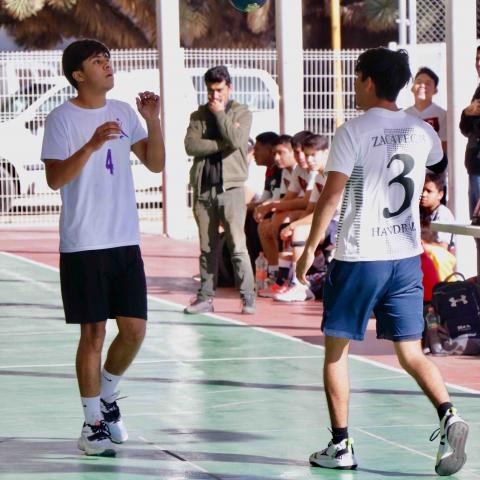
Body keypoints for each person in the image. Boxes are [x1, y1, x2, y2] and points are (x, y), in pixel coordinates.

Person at [296, 47, 468, 475]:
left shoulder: (352, 132)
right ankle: (448, 415)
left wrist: (308, 249)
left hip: (360, 256)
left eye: (356, 77)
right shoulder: (420, 130)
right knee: (410, 351)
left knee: (336, 351)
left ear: (369, 81)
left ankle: (341, 445)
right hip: (405, 257)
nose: (354, 84)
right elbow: (439, 164)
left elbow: (331, 197)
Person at [41, 39, 165, 456]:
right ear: (78, 74)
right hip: (83, 242)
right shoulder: (61, 118)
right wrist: (92, 144)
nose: (108, 65)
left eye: (109, 59)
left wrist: (154, 119)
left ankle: (108, 397)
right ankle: (91, 423)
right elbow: (56, 179)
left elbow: (155, 162)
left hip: (124, 239)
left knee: (134, 330)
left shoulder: (124, 112)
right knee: (92, 333)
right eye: (98, 61)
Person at [184, 65, 255, 315]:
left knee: (237, 244)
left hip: (231, 189)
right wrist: (220, 142)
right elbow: (191, 146)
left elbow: (237, 141)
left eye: (220, 90)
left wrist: (222, 115)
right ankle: (205, 297)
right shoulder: (198, 115)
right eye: (211, 91)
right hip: (204, 190)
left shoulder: (241, 112)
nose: (215, 96)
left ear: (229, 88)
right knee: (207, 246)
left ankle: (248, 296)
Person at [406, 67, 447, 153]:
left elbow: (444, 145)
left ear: (435, 90)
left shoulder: (443, 115)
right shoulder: (403, 115)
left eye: (428, 83)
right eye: (419, 82)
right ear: (412, 88)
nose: (422, 86)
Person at [459, 45, 480, 218]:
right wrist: (467, 113)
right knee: (476, 225)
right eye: (477, 59)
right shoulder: (478, 90)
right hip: (475, 166)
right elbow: (466, 130)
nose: (479, 64)